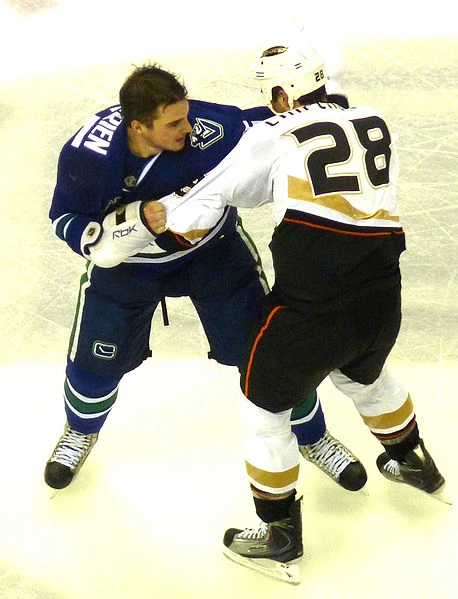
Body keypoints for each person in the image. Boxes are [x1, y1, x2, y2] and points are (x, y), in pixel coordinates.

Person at [152, 44, 445, 584]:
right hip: (382, 296)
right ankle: (414, 461)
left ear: (282, 94)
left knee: (262, 411)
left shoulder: (274, 135)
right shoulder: (374, 120)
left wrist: (160, 215)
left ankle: (280, 535)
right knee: (364, 374)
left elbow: (198, 212)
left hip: (312, 309)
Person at [44, 63, 365, 492]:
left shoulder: (211, 128)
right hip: (131, 270)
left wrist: (330, 112)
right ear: (138, 127)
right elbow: (64, 216)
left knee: (269, 354)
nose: (188, 127)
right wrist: (103, 237)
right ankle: (80, 431)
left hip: (214, 256)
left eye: (187, 114)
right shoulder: (89, 158)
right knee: (97, 359)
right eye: (173, 123)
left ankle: (313, 436)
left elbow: (274, 125)